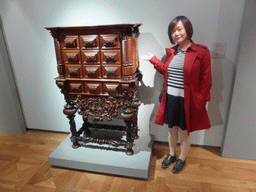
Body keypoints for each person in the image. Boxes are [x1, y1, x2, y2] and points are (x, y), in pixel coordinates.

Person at [144, 16, 212, 174]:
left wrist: (200, 101)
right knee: (171, 129)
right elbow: (166, 71)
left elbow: (206, 80)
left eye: (179, 29)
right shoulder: (172, 52)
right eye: (173, 31)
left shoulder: (201, 52)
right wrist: (154, 60)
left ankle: (182, 157)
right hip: (170, 99)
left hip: (187, 101)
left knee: (184, 131)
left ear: (188, 29)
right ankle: (172, 154)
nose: (176, 33)